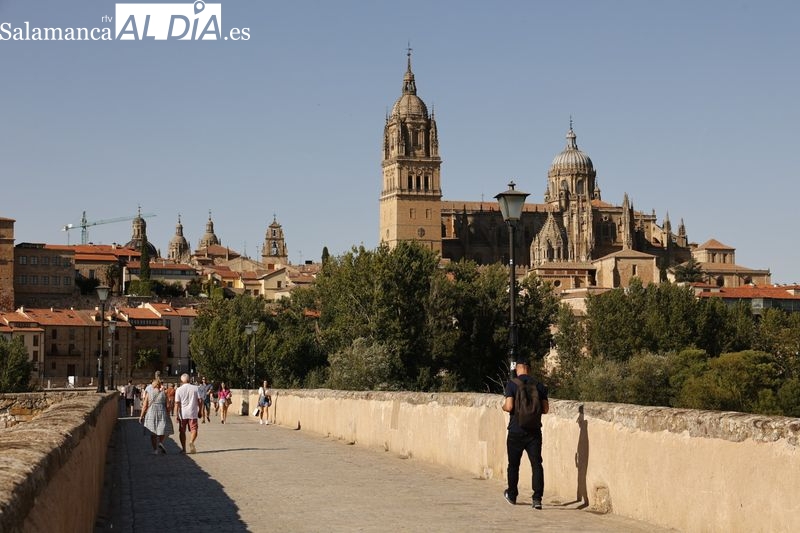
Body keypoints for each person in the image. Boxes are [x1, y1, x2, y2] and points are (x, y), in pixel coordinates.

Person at [502, 357, 549, 509]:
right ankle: (537, 499)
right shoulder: (540, 386)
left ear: (518, 368)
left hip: (516, 430)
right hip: (534, 432)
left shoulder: (512, 384)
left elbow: (509, 406)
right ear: (530, 368)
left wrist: (503, 407)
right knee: (536, 465)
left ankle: (512, 495)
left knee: (513, 465)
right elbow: (546, 409)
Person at [139, 378, 174, 455]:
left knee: (153, 432)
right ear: (159, 385)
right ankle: (161, 442)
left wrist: (141, 416)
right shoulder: (164, 393)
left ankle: (155, 450)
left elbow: (145, 405)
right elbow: (168, 405)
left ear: (153, 385)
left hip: (151, 412)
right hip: (162, 412)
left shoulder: (149, 393)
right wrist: (168, 413)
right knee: (162, 429)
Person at [174, 372, 201, 454]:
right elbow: (200, 400)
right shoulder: (196, 388)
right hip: (193, 413)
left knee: (182, 431)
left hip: (183, 414)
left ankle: (184, 449)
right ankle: (191, 441)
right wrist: (200, 411)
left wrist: (176, 415)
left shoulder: (178, 389)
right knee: (194, 429)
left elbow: (177, 403)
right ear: (189, 380)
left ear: (181, 381)